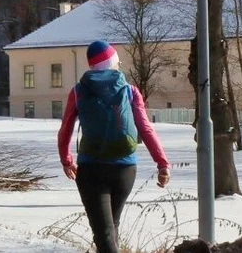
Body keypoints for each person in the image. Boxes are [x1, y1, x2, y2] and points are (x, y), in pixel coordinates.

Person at [58, 40, 170, 253]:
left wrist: (67, 160)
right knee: (111, 229)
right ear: (113, 63)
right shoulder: (130, 91)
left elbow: (65, 129)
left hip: (91, 168)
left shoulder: (79, 91)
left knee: (105, 233)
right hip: (125, 169)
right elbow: (145, 128)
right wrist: (162, 163)